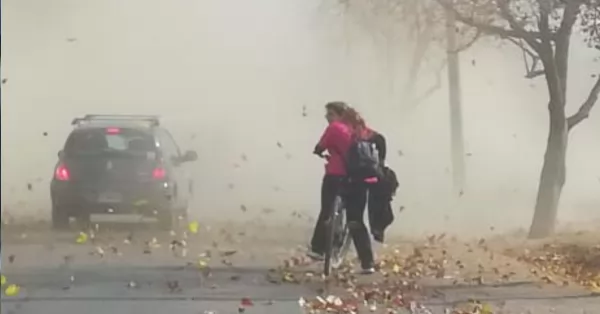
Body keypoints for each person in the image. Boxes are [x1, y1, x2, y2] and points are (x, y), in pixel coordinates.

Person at [308, 101, 376, 274]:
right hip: (359, 179)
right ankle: (367, 262)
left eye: (330, 114)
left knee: (327, 210)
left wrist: (319, 150)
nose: (327, 117)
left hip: (336, 176)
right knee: (356, 220)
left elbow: (320, 147)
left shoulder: (334, 128)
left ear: (339, 115)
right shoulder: (360, 130)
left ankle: (318, 249)